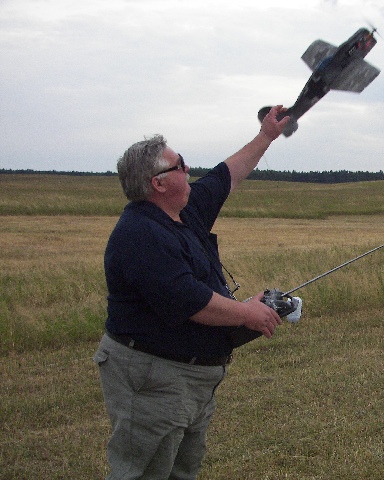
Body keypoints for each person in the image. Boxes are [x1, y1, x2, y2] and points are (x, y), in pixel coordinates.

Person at [93, 106, 290, 479]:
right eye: (179, 165)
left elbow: (226, 175)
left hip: (192, 376)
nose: (188, 169)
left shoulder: (185, 209)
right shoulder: (140, 234)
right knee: (144, 472)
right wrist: (247, 313)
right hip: (153, 375)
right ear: (158, 183)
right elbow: (189, 301)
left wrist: (266, 136)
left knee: (182, 470)